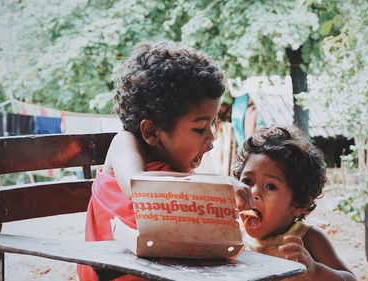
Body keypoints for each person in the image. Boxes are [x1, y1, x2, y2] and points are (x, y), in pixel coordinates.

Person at [77, 42, 252, 281]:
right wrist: (217, 186)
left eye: (213, 124)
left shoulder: (173, 171)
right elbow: (136, 185)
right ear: (151, 131)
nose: (212, 138)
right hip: (113, 271)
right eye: (200, 128)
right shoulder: (125, 143)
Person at [234, 126, 357, 281]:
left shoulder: (308, 239)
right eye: (247, 181)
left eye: (270, 186)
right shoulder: (234, 236)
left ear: (299, 204)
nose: (253, 193)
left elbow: (350, 279)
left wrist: (314, 270)